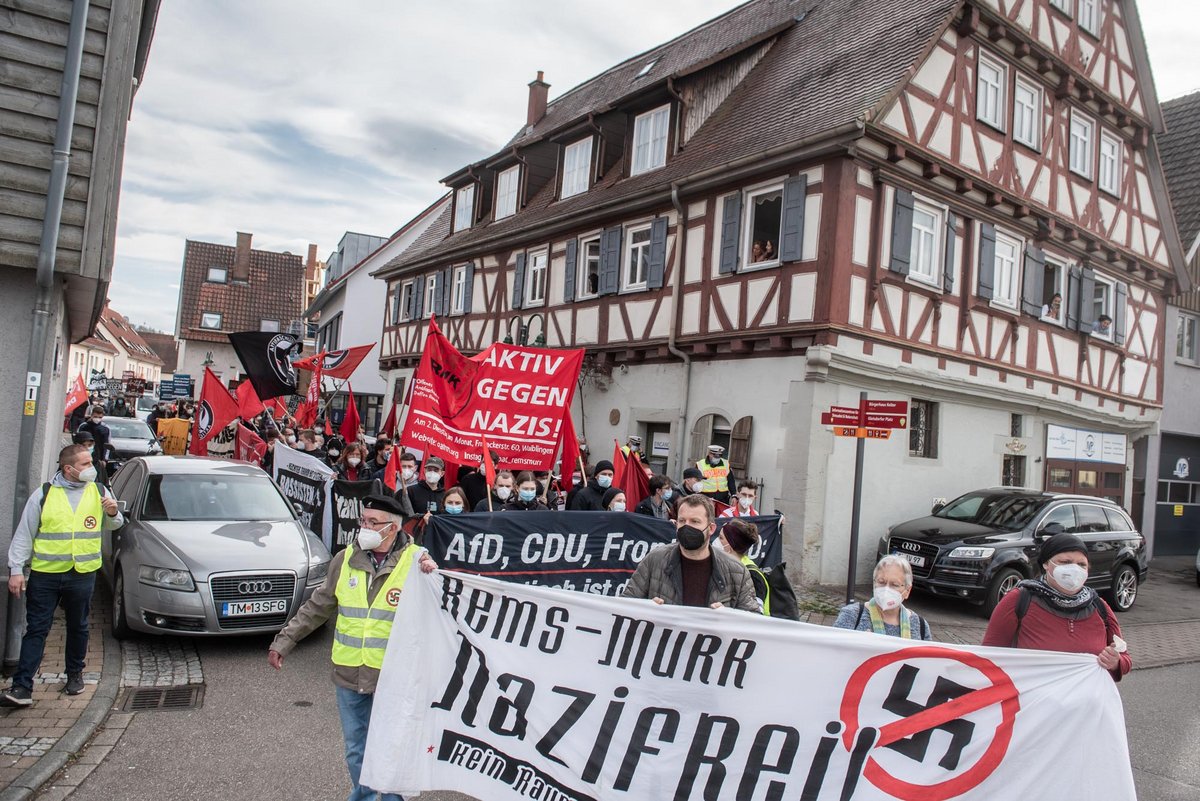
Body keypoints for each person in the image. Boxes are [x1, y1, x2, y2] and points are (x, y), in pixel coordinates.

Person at [268, 494, 437, 801]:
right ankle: (365, 796)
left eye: (373, 522)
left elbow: (437, 612)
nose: (364, 527)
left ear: (392, 528)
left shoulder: (417, 562)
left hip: (392, 677)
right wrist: (285, 640)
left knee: (392, 748)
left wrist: (432, 572)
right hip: (349, 673)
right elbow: (318, 605)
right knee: (356, 748)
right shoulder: (345, 558)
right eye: (363, 520)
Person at [3, 445, 125, 706]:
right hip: (45, 575)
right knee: (37, 629)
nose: (92, 468)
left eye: (91, 462)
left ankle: (74, 675)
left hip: (82, 574)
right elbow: (25, 534)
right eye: (85, 464)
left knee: (78, 626)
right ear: (69, 469)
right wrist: (16, 570)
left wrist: (113, 512)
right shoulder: (44, 494)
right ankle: (21, 687)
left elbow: (114, 524)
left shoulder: (99, 491)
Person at [982, 533, 1130, 680]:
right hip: (1033, 694)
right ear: (1046, 564)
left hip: (1087, 695)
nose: (1074, 569)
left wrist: (1115, 662)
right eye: (1065, 562)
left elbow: (1124, 659)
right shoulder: (1019, 599)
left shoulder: (1099, 606)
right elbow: (989, 657)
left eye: (1081, 564)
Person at [623, 494, 758, 611]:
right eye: (682, 521)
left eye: (695, 521)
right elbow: (625, 607)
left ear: (711, 528)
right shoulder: (654, 560)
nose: (686, 527)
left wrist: (729, 618)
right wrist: (645, 609)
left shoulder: (736, 571)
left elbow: (753, 621)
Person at [833, 555, 933, 640]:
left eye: (894, 585)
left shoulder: (920, 626)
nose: (886, 590)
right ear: (874, 583)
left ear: (907, 591)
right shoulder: (852, 615)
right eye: (881, 582)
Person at [716, 518, 769, 615]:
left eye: (721, 538)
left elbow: (756, 616)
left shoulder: (754, 575)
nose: (716, 541)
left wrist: (726, 612)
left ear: (731, 544)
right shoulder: (724, 567)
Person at [75, 405, 111, 485]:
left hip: (97, 458)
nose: (97, 419)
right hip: (81, 455)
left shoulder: (105, 428)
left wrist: (104, 460)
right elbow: (76, 442)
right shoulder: (83, 426)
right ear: (91, 415)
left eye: (100, 417)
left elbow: (107, 445)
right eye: (95, 416)